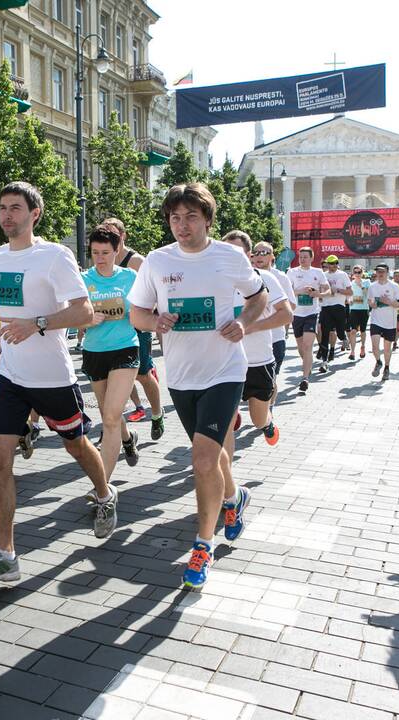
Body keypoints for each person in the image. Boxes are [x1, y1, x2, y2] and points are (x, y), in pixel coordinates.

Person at [0, 182, 115, 585]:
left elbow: (83, 311)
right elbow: (7, 313)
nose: (6, 216)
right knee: (0, 460)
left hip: (52, 377)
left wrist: (36, 325)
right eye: (2, 208)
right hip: (11, 376)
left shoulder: (54, 256)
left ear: (35, 214)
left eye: (15, 208)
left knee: (76, 445)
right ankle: (5, 555)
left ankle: (104, 494)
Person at [129, 183, 267, 589]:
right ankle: (233, 498)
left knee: (203, 460)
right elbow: (136, 312)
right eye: (175, 217)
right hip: (182, 376)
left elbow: (259, 296)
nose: (181, 225)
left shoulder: (228, 256)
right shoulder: (156, 261)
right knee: (210, 456)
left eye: (190, 217)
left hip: (225, 371)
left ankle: (202, 547)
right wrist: (154, 321)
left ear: (207, 219)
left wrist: (244, 322)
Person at [80, 225, 142, 482]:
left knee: (111, 416)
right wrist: (87, 319)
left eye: (105, 252)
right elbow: (73, 319)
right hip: (95, 351)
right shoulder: (83, 280)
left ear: (117, 250)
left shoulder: (129, 277)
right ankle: (127, 439)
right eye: (95, 252)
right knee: (109, 413)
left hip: (125, 347)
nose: (100, 258)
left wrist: (133, 314)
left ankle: (101, 486)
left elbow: (144, 310)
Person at [223, 231, 292, 445]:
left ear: (248, 255)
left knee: (258, 419)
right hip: (225, 363)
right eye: (226, 251)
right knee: (223, 419)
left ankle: (267, 424)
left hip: (258, 361)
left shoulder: (264, 278)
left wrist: (252, 326)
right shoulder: (215, 281)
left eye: (236, 251)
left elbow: (286, 314)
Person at [105, 217, 165, 439]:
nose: (110, 240)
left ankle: (157, 414)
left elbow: (154, 293)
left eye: (114, 235)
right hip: (113, 327)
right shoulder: (104, 259)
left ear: (122, 237)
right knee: (116, 374)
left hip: (138, 327)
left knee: (142, 374)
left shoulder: (136, 261)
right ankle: (126, 417)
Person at [286, 247, 330, 392]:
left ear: (312, 258)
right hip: (297, 314)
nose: (302, 259)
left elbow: (328, 290)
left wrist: (318, 294)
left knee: (307, 345)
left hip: (312, 313)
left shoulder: (318, 272)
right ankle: (308, 365)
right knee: (301, 347)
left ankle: (305, 378)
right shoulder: (292, 272)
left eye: (305, 257)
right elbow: (286, 291)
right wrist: (300, 292)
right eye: (301, 256)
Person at [250, 242, 295, 376]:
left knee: (272, 380)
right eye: (256, 253)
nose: (259, 256)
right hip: (252, 340)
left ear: (272, 257)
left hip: (275, 337)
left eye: (263, 253)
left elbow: (292, 306)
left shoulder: (281, 277)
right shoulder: (247, 276)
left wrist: (273, 310)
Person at [366, 264, 399, 381]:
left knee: (387, 348)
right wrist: (373, 304)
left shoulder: (394, 286)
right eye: (378, 272)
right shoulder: (372, 286)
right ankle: (378, 362)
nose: (380, 274)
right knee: (374, 346)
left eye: (382, 272)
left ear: (387, 273)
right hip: (376, 320)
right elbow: (370, 302)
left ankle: (387, 368)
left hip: (390, 322)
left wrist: (389, 302)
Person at [317, 255, 352, 373]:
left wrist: (338, 290)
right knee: (325, 334)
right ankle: (324, 362)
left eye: (333, 264)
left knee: (340, 331)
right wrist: (321, 297)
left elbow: (350, 291)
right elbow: (320, 290)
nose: (331, 266)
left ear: (337, 264)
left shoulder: (342, 275)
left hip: (339, 306)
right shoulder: (324, 275)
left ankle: (343, 338)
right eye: (329, 264)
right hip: (326, 307)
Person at [346, 265, 371, 361]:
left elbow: (368, 294)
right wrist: (349, 300)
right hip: (354, 309)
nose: (357, 274)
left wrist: (362, 286)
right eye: (355, 272)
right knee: (353, 331)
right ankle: (352, 352)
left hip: (364, 309)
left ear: (362, 272)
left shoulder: (367, 282)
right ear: (353, 273)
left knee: (363, 331)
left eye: (359, 272)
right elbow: (348, 295)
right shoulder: (350, 283)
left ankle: (363, 346)